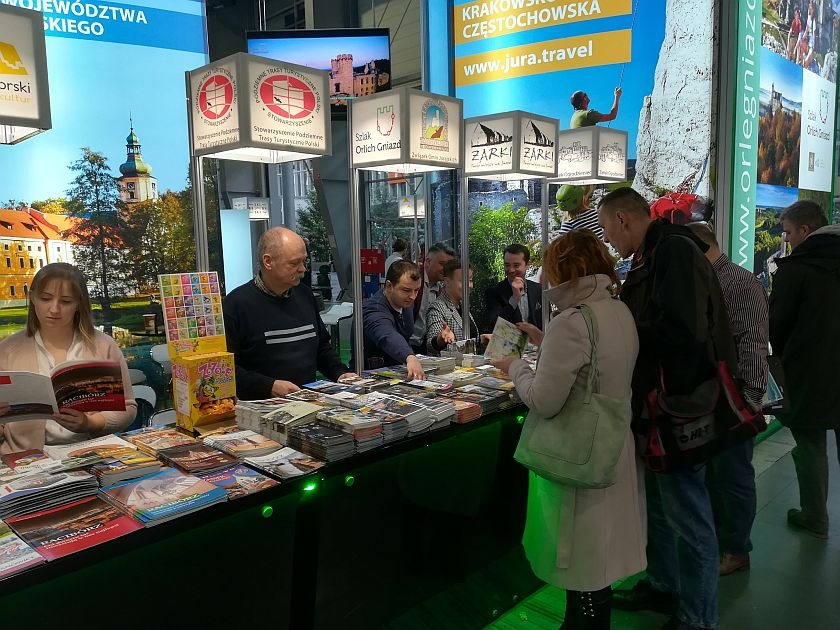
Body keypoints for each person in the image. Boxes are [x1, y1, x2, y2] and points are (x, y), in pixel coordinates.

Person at [490, 230, 645, 629]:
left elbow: (544, 400)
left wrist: (516, 367)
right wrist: (545, 341)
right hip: (613, 446)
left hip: (576, 455)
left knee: (582, 567)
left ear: (565, 270)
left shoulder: (573, 321)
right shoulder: (618, 310)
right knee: (600, 564)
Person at [598, 187, 737, 630]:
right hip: (658, 408)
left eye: (606, 230)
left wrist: (620, 331)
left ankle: (697, 617)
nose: (609, 241)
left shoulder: (673, 252)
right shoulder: (650, 255)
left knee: (689, 516)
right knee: (660, 506)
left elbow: (683, 331)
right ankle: (664, 584)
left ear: (623, 219)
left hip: (680, 407)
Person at [687, 222, 769, 575]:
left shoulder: (741, 282)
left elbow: (752, 342)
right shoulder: (704, 280)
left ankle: (736, 549)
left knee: (733, 476)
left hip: (734, 397)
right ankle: (721, 543)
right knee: (714, 476)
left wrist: (750, 397)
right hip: (708, 396)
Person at [0, 263, 137, 455]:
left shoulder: (103, 345)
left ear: (79, 303)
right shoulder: (7, 350)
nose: (54, 309)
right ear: (32, 297)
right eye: (45, 298)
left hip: (91, 454)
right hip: (26, 460)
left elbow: (128, 407)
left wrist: (90, 423)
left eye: (65, 301)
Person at [769, 200, 840, 540]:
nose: (787, 240)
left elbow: (777, 325)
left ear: (804, 231)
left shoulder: (795, 270)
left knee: (811, 446)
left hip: (809, 371)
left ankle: (815, 517)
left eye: (787, 233)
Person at [223, 227, 354, 400]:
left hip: (307, 402)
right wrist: (268, 386)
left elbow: (321, 347)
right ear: (268, 262)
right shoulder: (236, 305)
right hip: (262, 408)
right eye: (294, 263)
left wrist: (340, 373)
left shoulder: (305, 295)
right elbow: (227, 370)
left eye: (304, 261)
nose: (303, 269)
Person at [361, 260, 432, 379]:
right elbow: (387, 335)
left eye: (416, 290)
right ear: (389, 286)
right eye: (406, 290)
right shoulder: (373, 309)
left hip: (398, 372)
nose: (412, 296)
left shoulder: (405, 303)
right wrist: (409, 356)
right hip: (370, 377)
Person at [426, 259, 490, 356]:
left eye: (470, 280)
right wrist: (440, 339)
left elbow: (464, 340)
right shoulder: (437, 307)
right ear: (447, 282)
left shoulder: (462, 305)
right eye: (464, 281)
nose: (469, 285)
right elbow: (431, 343)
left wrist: (481, 339)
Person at [409, 242, 455, 354]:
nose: (446, 269)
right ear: (428, 262)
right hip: (405, 345)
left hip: (424, 348)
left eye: (449, 266)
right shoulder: (411, 279)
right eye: (442, 264)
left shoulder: (443, 288)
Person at [485, 244, 543, 331]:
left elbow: (548, 322)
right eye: (507, 265)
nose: (511, 270)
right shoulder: (494, 293)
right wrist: (514, 299)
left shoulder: (538, 289)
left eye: (516, 265)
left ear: (527, 265)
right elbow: (494, 326)